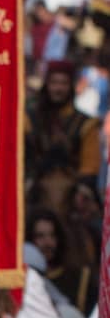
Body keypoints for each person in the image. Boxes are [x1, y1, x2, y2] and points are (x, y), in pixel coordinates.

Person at [25, 62, 100, 215]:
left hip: (72, 191)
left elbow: (90, 164)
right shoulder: (29, 118)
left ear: (70, 86)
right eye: (54, 83)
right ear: (47, 85)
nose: (58, 88)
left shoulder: (86, 123)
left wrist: (83, 189)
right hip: (35, 188)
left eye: (63, 83)